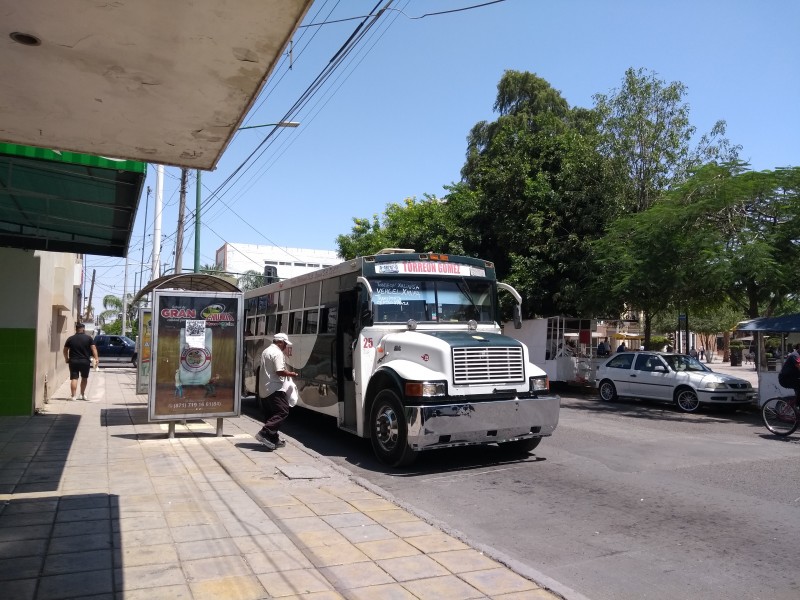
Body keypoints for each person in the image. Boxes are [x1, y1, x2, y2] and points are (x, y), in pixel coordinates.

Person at [255, 333, 298, 450]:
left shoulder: (266, 350)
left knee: (271, 415)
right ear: (280, 342)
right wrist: (291, 374)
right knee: (282, 411)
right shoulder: (277, 352)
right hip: (274, 388)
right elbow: (279, 371)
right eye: (285, 344)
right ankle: (264, 433)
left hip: (264, 388)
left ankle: (273, 439)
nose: (285, 347)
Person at [63, 322, 99, 401]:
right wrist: (96, 359)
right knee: (84, 378)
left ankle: (73, 396)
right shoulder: (89, 338)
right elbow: (94, 349)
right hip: (85, 361)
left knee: (74, 378)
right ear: (83, 329)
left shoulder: (70, 338)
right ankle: (82, 395)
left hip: (73, 361)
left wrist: (66, 358)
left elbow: (65, 350)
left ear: (76, 329)